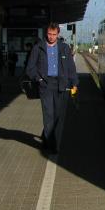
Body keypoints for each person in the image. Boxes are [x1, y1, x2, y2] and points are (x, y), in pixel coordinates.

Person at [26, 23, 78, 154]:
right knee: (48, 116)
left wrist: (74, 83)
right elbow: (30, 68)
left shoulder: (64, 48)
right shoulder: (38, 48)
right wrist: (38, 79)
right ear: (46, 33)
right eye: (49, 34)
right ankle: (52, 146)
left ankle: (45, 138)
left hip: (61, 85)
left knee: (57, 117)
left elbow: (71, 68)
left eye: (54, 34)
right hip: (45, 85)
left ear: (58, 34)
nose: (51, 37)